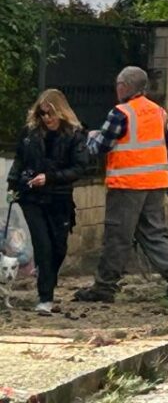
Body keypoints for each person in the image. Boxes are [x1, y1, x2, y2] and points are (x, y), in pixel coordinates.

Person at [71, 66, 168, 304]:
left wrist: (87, 137)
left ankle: (104, 287)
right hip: (156, 183)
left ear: (124, 87)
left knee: (117, 236)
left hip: (127, 184)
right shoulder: (159, 112)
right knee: (154, 233)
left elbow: (99, 147)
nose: (117, 89)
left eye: (118, 85)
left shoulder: (121, 113)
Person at [6, 89, 87, 314]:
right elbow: (19, 160)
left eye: (50, 114)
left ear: (60, 112)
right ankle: (45, 297)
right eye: (42, 114)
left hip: (59, 197)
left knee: (58, 247)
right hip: (31, 197)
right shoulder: (30, 134)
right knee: (43, 245)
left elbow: (80, 167)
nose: (46, 119)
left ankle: (47, 277)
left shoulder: (74, 134)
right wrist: (13, 184)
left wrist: (50, 178)